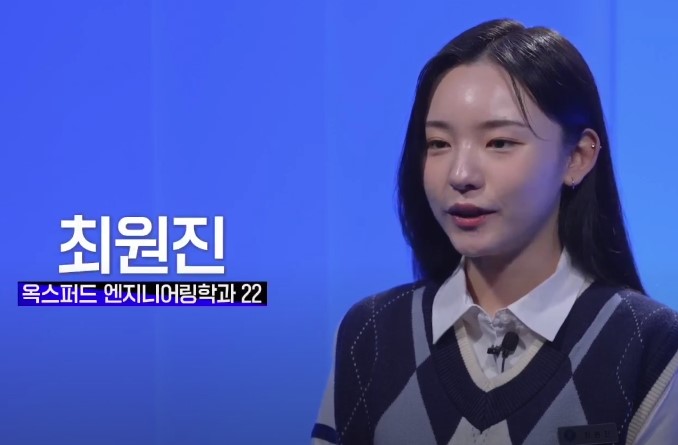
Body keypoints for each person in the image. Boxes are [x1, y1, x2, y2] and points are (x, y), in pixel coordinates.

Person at [311, 18, 678, 445]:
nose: (460, 174)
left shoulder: (647, 347)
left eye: (499, 143)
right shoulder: (371, 334)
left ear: (577, 157)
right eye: (438, 144)